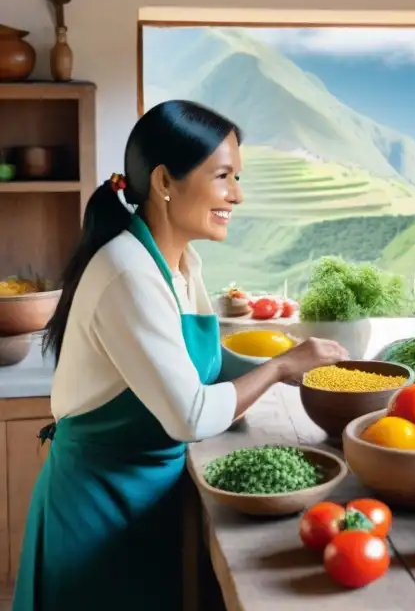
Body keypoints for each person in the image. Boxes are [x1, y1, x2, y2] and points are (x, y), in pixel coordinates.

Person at [14, 100, 348, 610]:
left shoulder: (181, 263)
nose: (237, 195)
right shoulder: (128, 272)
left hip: (148, 496)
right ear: (166, 181)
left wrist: (299, 365)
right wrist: (282, 366)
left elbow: (202, 363)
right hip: (96, 509)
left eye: (237, 177)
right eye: (223, 177)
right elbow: (191, 414)